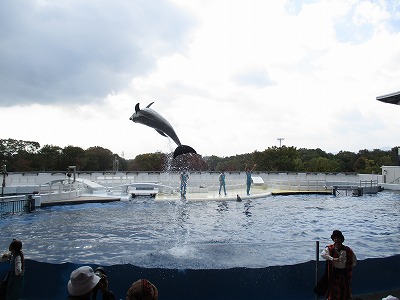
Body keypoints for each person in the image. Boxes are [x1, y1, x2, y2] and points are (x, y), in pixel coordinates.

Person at [321, 230, 357, 300]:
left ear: (342, 239)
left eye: (338, 238)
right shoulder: (330, 248)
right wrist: (332, 259)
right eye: (335, 238)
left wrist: (348, 264)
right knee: (334, 293)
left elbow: (354, 260)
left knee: (345, 292)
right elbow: (323, 254)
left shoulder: (348, 250)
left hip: (344, 274)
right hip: (334, 274)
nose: (337, 240)